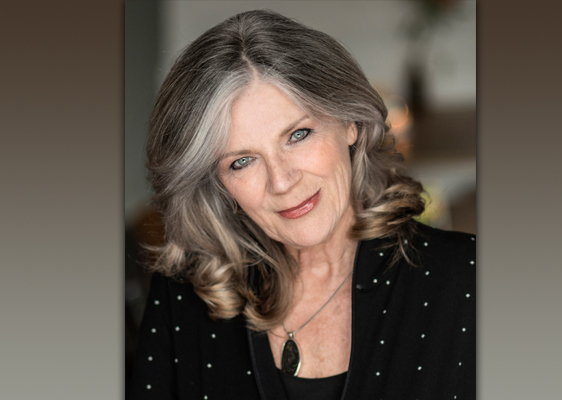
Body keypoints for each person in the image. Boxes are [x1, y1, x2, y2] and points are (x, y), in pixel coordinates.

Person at [128, 9, 475, 400]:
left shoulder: (470, 279)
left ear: (350, 122)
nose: (281, 181)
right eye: (242, 161)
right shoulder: (182, 298)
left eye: (298, 135)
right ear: (218, 184)